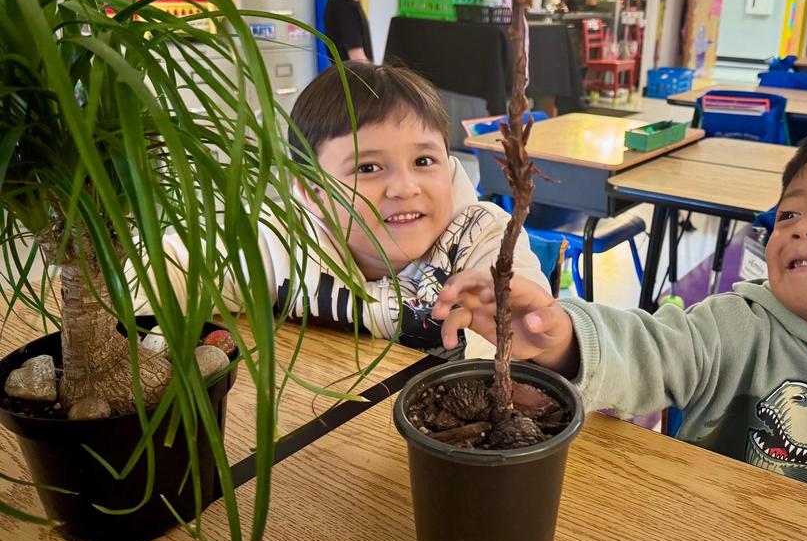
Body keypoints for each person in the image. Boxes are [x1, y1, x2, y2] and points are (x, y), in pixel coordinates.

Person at [433, 123, 807, 541]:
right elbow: (650, 349)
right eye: (787, 214)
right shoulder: (737, 324)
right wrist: (555, 334)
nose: (804, 227)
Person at [144, 62, 549, 359]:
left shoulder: (483, 239)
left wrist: (547, 340)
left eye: (424, 161)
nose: (405, 188)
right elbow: (171, 270)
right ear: (313, 191)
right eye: (368, 168)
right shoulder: (280, 244)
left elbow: (535, 339)